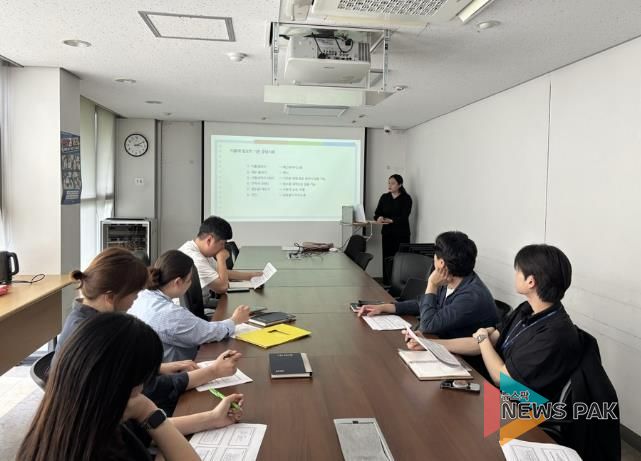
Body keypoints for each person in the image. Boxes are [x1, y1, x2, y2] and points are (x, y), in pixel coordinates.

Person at [57, 247, 243, 433]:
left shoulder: (80, 319)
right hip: (116, 432)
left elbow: (121, 379)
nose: (136, 300)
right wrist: (212, 373)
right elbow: (148, 392)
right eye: (134, 294)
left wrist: (159, 368)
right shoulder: (99, 338)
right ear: (110, 297)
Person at [18, 312, 242, 461]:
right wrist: (147, 409)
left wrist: (211, 418)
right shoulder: (107, 450)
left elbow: (140, 430)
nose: (143, 389)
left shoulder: (70, 418)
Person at [407, 244, 581, 401]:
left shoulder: (554, 334)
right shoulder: (527, 309)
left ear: (530, 281)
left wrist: (483, 338)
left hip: (518, 409)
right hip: (491, 390)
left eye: (518, 271)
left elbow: (501, 379)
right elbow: (483, 342)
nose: (515, 275)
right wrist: (430, 344)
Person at [359, 231, 497, 338]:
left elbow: (428, 326)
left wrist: (432, 284)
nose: (433, 260)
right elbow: (424, 304)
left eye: (435, 257)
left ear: (441, 263)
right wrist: (385, 307)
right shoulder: (452, 278)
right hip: (441, 343)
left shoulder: (471, 296)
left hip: (463, 360)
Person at [129, 249, 251, 362]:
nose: (191, 283)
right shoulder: (171, 314)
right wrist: (235, 320)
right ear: (178, 282)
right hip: (175, 371)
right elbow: (209, 333)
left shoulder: (140, 296)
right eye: (189, 280)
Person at [178, 216, 261, 298]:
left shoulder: (200, 250)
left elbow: (220, 272)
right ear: (209, 240)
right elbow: (222, 287)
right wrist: (221, 259)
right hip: (199, 306)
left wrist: (251, 275)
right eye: (222, 244)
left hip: (204, 301)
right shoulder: (195, 259)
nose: (223, 248)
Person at [374, 174, 413, 282]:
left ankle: (400, 284)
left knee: (400, 260)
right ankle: (387, 282)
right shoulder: (384, 197)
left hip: (401, 234)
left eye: (392, 183)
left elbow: (405, 216)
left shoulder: (406, 198)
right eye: (389, 183)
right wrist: (379, 217)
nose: (389, 185)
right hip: (387, 233)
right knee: (387, 258)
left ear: (399, 185)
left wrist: (391, 220)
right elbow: (377, 213)